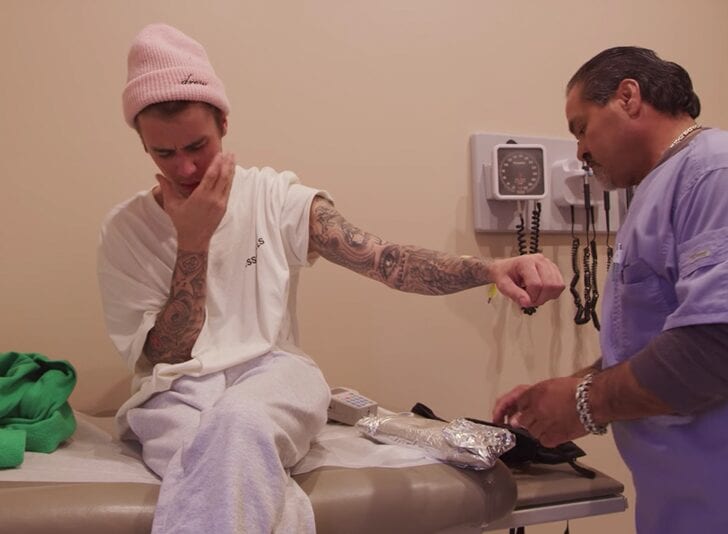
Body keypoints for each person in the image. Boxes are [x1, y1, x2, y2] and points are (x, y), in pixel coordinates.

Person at [97, 23, 564, 534]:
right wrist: (193, 243)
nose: (186, 168)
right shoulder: (125, 231)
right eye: (164, 154)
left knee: (241, 422)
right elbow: (166, 355)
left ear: (224, 123)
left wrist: (489, 269)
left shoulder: (276, 198)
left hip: (271, 373)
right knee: (219, 462)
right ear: (143, 144)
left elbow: (386, 261)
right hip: (176, 390)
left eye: (197, 146)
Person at [493, 46, 728, 534]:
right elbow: (653, 340)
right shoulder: (660, 187)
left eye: (581, 128)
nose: (579, 151)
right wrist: (560, 392)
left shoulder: (714, 173)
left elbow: (714, 346)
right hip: (681, 502)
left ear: (628, 97)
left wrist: (582, 403)